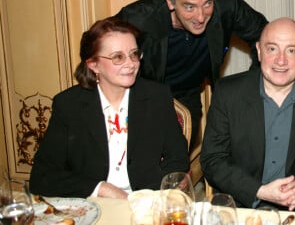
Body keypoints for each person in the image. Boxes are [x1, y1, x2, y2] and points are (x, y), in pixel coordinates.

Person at [200, 18, 295, 212]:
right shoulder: (228, 93)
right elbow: (213, 159)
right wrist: (258, 191)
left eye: (291, 50)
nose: (281, 60)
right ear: (259, 51)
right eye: (272, 49)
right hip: (241, 204)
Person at [30, 17, 189, 199]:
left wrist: (155, 195)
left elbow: (178, 158)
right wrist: (101, 188)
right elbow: (42, 176)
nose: (131, 64)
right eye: (118, 57)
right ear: (93, 65)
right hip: (94, 203)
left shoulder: (157, 96)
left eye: (134, 54)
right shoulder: (69, 105)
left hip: (146, 203)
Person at [115, 0, 268, 141]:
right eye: (189, 7)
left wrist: (251, 84)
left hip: (189, 95)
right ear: (170, 1)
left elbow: (264, 35)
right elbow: (97, 44)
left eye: (207, 3)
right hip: (145, 94)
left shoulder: (226, 2)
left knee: (179, 154)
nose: (201, 16)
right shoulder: (138, 18)